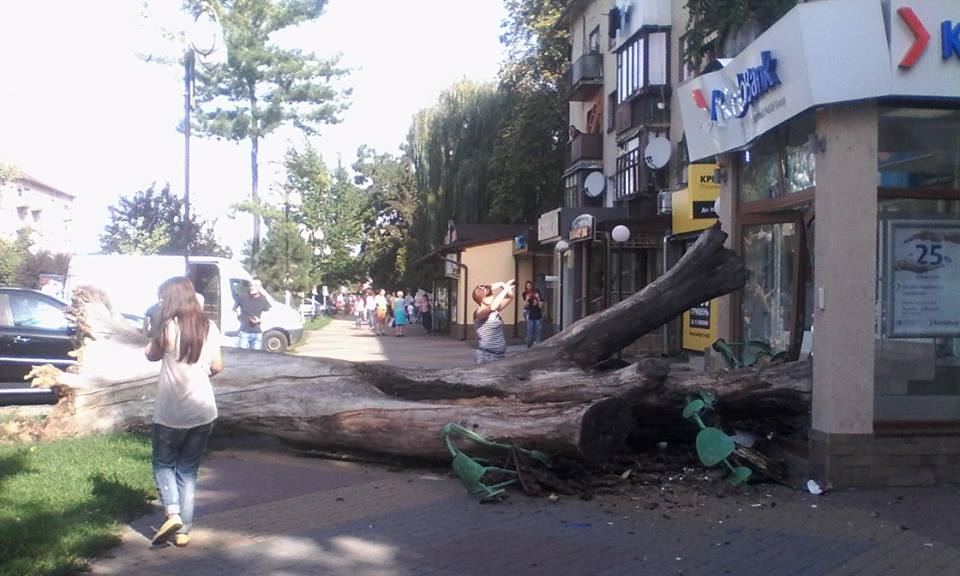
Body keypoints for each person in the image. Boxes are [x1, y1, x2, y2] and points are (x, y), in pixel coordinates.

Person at [144, 277, 223, 548]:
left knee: (163, 463)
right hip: (203, 410)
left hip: (170, 411)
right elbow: (218, 366)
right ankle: (183, 532)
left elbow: (151, 355)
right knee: (188, 471)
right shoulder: (209, 326)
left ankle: (173, 513)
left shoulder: (167, 327)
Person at [473, 280, 514, 364]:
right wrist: (503, 288)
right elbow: (492, 307)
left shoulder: (495, 311)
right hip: (486, 356)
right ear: (480, 298)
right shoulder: (479, 313)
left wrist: (503, 285)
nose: (491, 296)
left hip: (500, 355)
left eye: (491, 293)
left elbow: (510, 296)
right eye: (488, 295)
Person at [233, 278, 271, 350]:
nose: (253, 287)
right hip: (244, 333)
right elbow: (234, 309)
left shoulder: (263, 299)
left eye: (256, 286)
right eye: (251, 285)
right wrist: (239, 318)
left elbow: (268, 312)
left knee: (255, 358)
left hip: (257, 334)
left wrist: (260, 320)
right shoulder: (242, 297)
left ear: (260, 288)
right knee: (242, 357)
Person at [523, 283, 544, 347]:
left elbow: (541, 307)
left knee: (537, 332)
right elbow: (524, 306)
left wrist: (538, 299)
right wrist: (527, 299)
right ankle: (529, 345)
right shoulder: (530, 300)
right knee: (530, 332)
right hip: (530, 316)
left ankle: (537, 345)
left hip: (538, 317)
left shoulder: (540, 300)